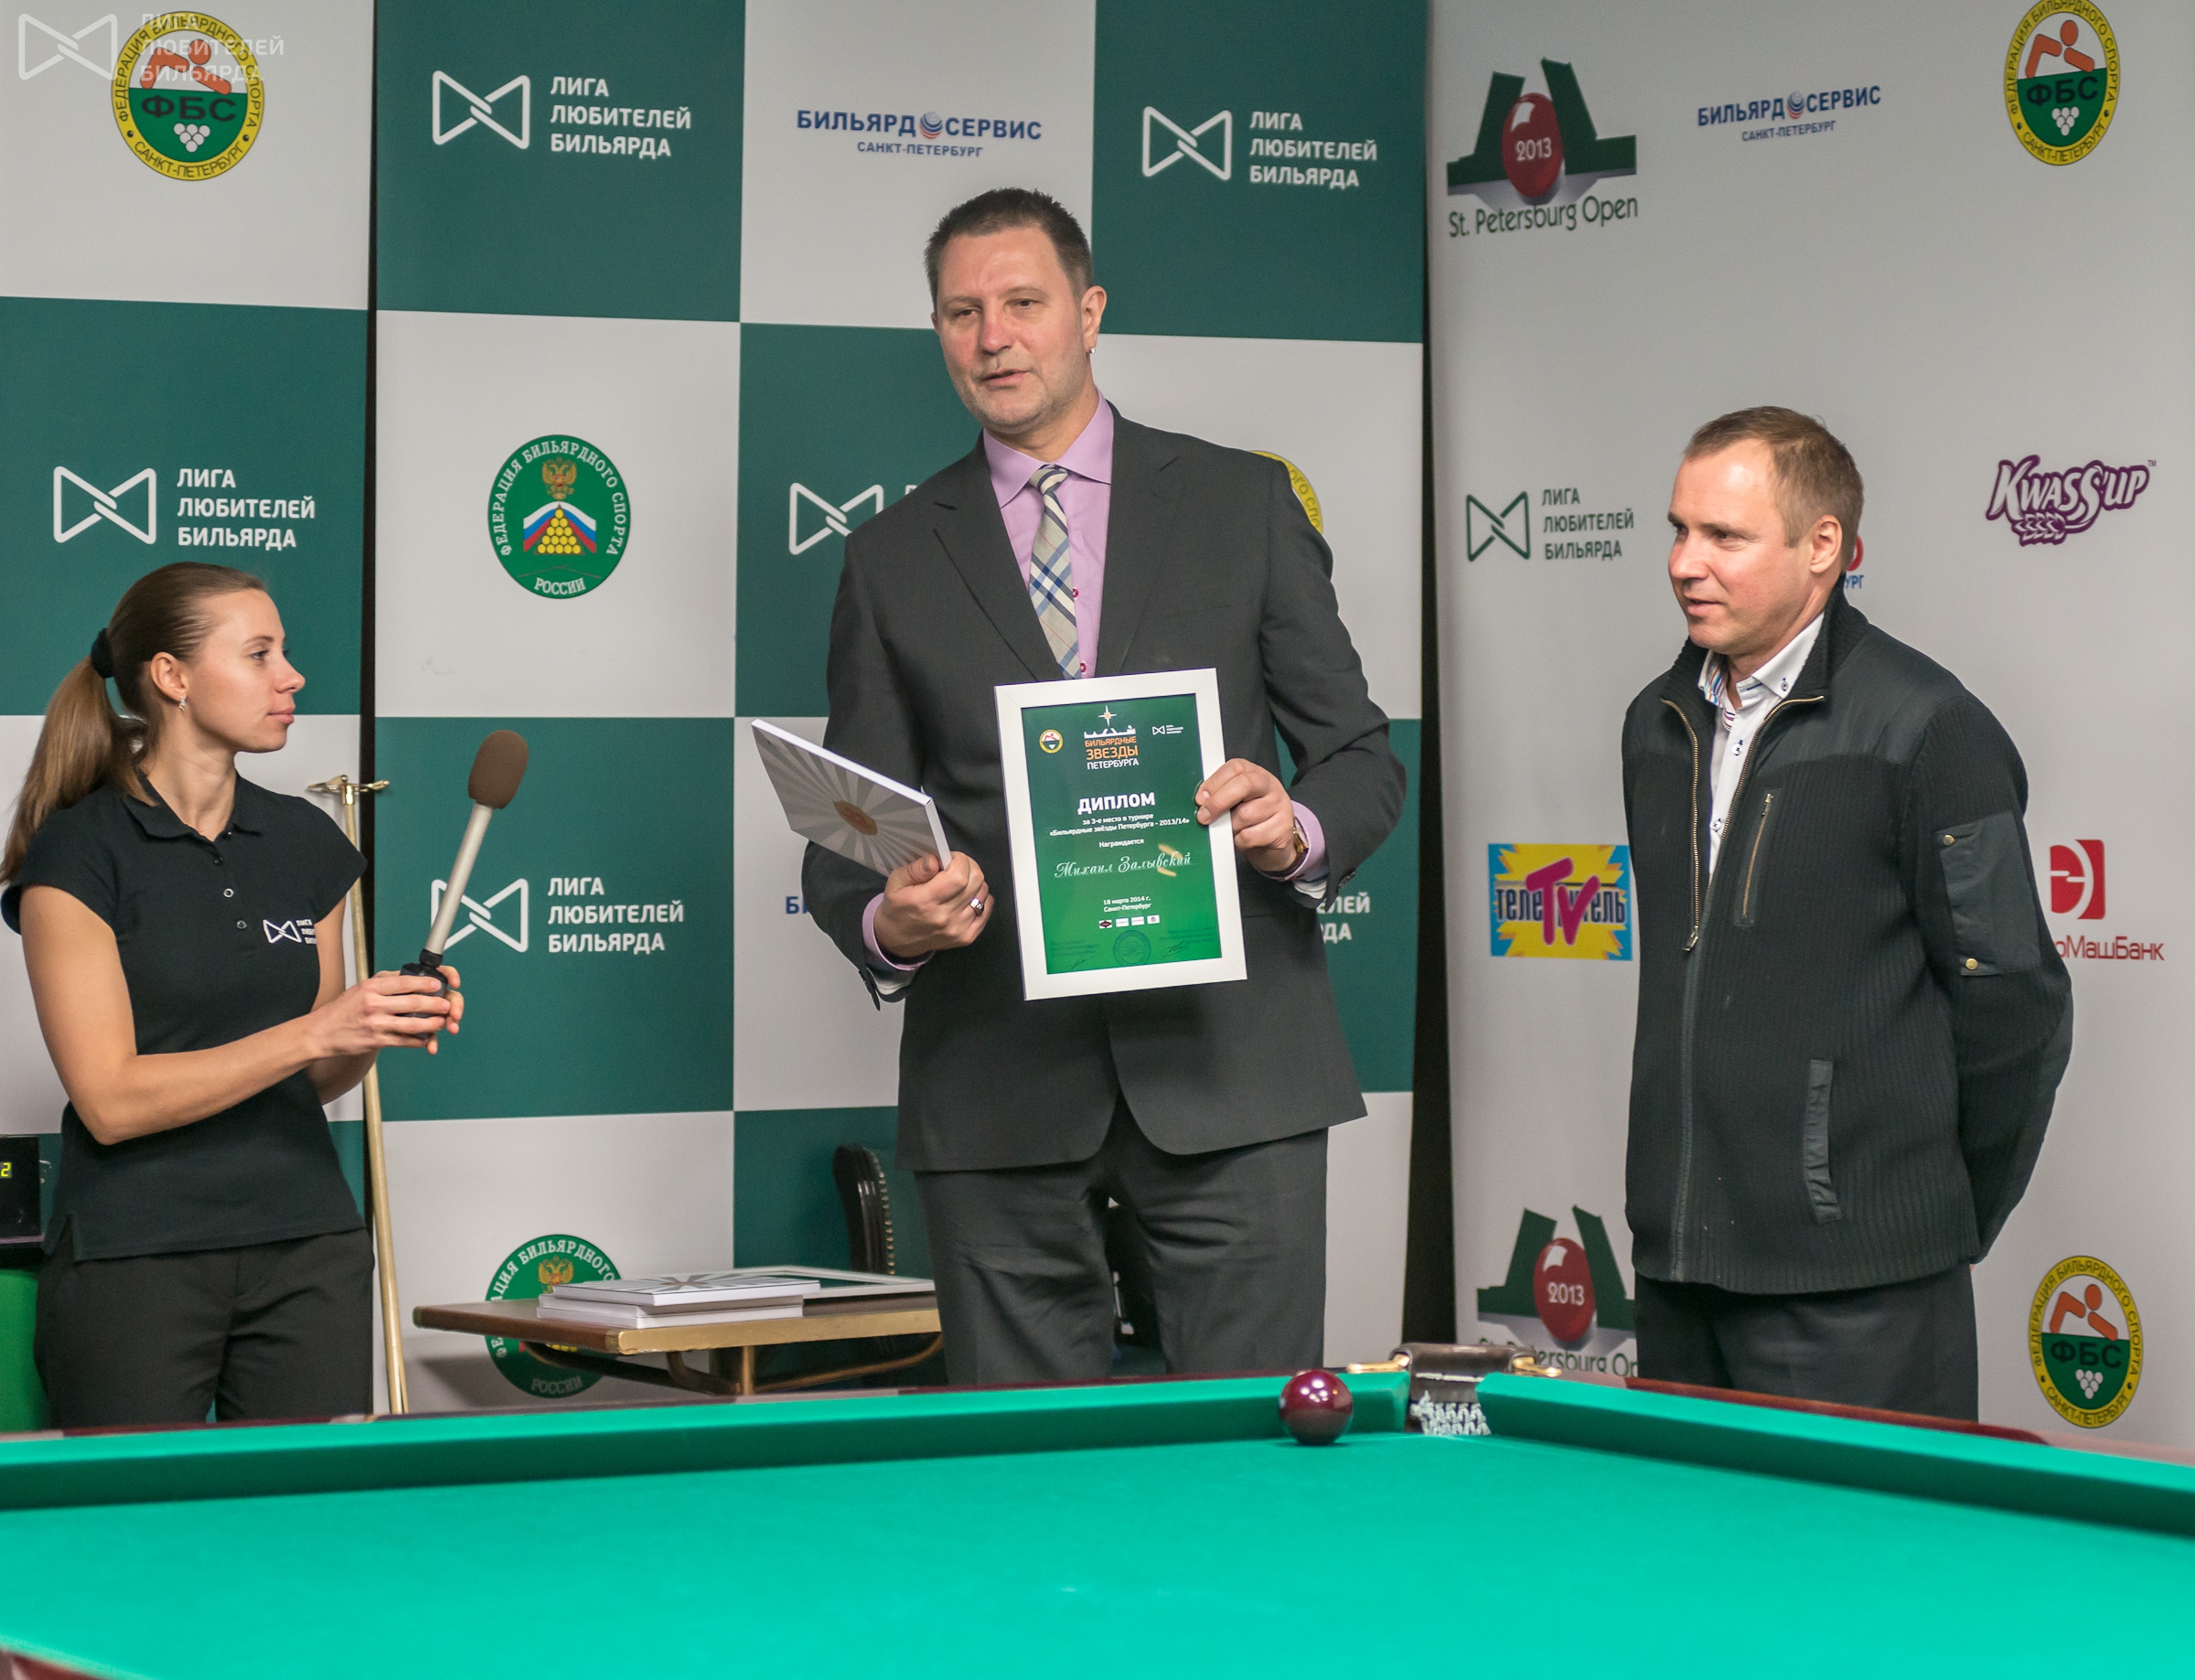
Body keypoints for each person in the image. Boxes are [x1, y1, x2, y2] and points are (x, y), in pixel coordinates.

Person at [800, 188, 1404, 1383]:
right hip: (997, 1084)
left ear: (1088, 313)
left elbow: (1361, 758)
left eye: (1023, 304)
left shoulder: (1243, 504)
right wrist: (890, 920)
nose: (993, 338)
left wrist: (1291, 829)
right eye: (962, 313)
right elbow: (846, 836)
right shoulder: (889, 556)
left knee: (1245, 1460)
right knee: (1027, 1470)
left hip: (1236, 1072)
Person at [1622, 407, 2072, 1418]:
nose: (1685, 563)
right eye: (1679, 529)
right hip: (1678, 1276)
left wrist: (1911, 1212)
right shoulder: (1656, 722)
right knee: (1681, 1528)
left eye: (1725, 536)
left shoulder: (1931, 727)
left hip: (1861, 1297)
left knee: (1865, 1533)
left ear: (1822, 545)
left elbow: (2016, 1004)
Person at [1, 562, 464, 1427]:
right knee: (142, 1512)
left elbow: (317, 1076)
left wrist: (372, 1024)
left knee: (310, 1508)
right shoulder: (77, 852)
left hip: (309, 1245)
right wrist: (317, 1030)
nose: (292, 676)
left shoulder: (306, 839)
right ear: (171, 677)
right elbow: (110, 1101)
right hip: (136, 1253)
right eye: (259, 654)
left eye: (283, 652)